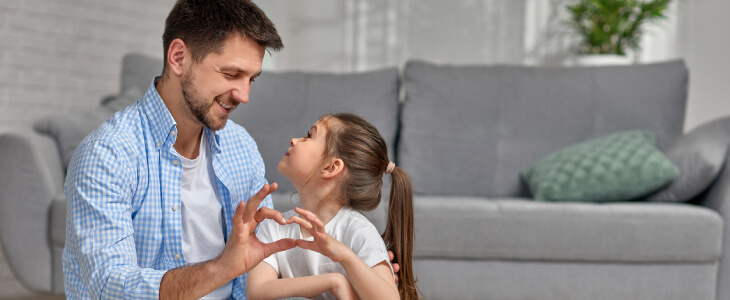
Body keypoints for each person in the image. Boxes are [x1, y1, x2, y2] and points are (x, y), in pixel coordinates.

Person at [62, 1, 296, 299]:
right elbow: (111, 286)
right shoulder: (107, 154)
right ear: (178, 57)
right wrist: (222, 268)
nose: (244, 95)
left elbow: (263, 263)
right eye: (231, 74)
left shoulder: (241, 146)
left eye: (251, 79)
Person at [246, 113, 419, 300]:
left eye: (309, 136)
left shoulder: (359, 231)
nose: (294, 140)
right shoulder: (274, 227)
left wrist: (345, 257)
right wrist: (334, 281)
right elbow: (257, 292)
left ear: (331, 167)